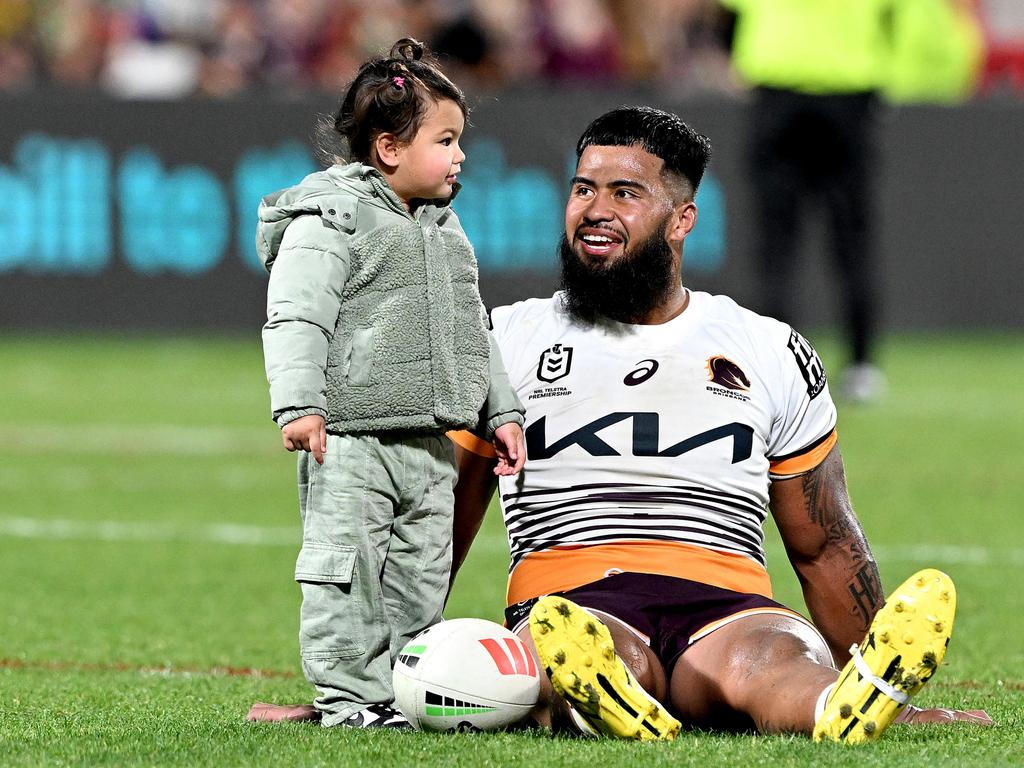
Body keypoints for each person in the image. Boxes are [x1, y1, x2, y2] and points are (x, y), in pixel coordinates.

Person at [450, 106, 993, 742]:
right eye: (582, 188)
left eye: (626, 193)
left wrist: (885, 690)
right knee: (577, 651)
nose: (594, 209)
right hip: (572, 596)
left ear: (683, 221)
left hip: (726, 601)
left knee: (775, 658)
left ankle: (846, 702)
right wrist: (367, 686)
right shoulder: (502, 340)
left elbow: (823, 541)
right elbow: (440, 519)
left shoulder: (768, 348)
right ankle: (601, 690)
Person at [250, 38, 525, 729]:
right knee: (346, 578)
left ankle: (404, 696)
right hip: (351, 441)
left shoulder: (444, 227)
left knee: (419, 579)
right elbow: (297, 317)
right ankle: (348, 701)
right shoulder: (330, 219)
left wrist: (503, 409)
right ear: (390, 148)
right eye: (447, 139)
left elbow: (473, 328)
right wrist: (300, 406)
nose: (460, 155)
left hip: (430, 446)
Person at [717, 0, 890, 402]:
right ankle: (862, 365)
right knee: (852, 239)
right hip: (849, 91)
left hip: (780, 93)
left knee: (777, 243)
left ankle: (777, 367)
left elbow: (727, 18)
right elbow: (892, 20)